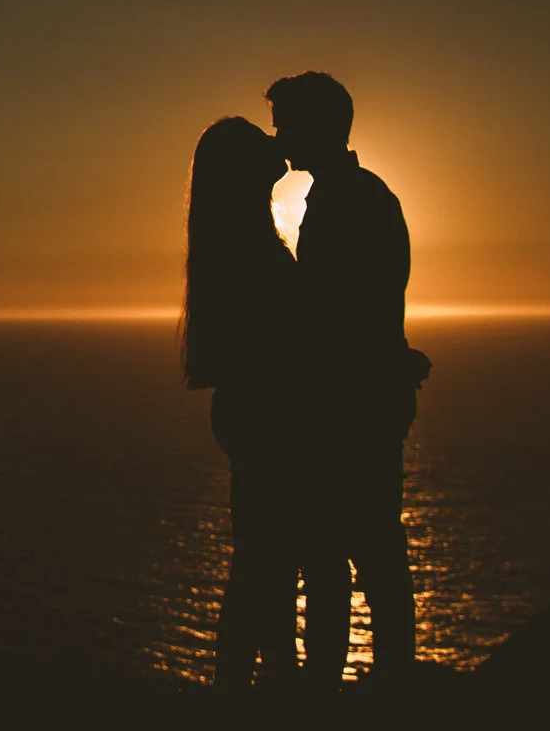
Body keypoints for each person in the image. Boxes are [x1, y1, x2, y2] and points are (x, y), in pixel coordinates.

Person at [268, 70, 428, 689]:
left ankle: (354, 686)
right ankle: (371, 680)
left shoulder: (355, 199)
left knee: (353, 552)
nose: (279, 135)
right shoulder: (350, 195)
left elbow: (346, 310)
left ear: (319, 126)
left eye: (287, 122)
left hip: (352, 404)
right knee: (358, 548)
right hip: (365, 395)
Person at [180, 115, 305, 687]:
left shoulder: (235, 242)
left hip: (249, 411)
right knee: (265, 566)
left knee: (263, 565)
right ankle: (254, 688)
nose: (274, 145)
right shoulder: (249, 251)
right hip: (266, 415)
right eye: (260, 143)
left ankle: (262, 684)